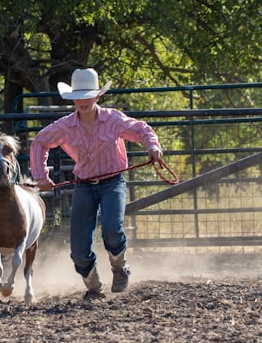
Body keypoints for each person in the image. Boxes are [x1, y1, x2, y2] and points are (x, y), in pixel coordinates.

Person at [30, 68, 163, 300]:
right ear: (73, 99)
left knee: (112, 230)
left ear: (97, 96)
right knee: (79, 249)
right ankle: (93, 286)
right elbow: (40, 142)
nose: (82, 101)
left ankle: (120, 268)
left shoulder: (112, 119)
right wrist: (41, 176)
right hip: (85, 185)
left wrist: (152, 146)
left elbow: (141, 129)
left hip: (112, 182)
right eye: (78, 97)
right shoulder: (65, 126)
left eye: (87, 95)